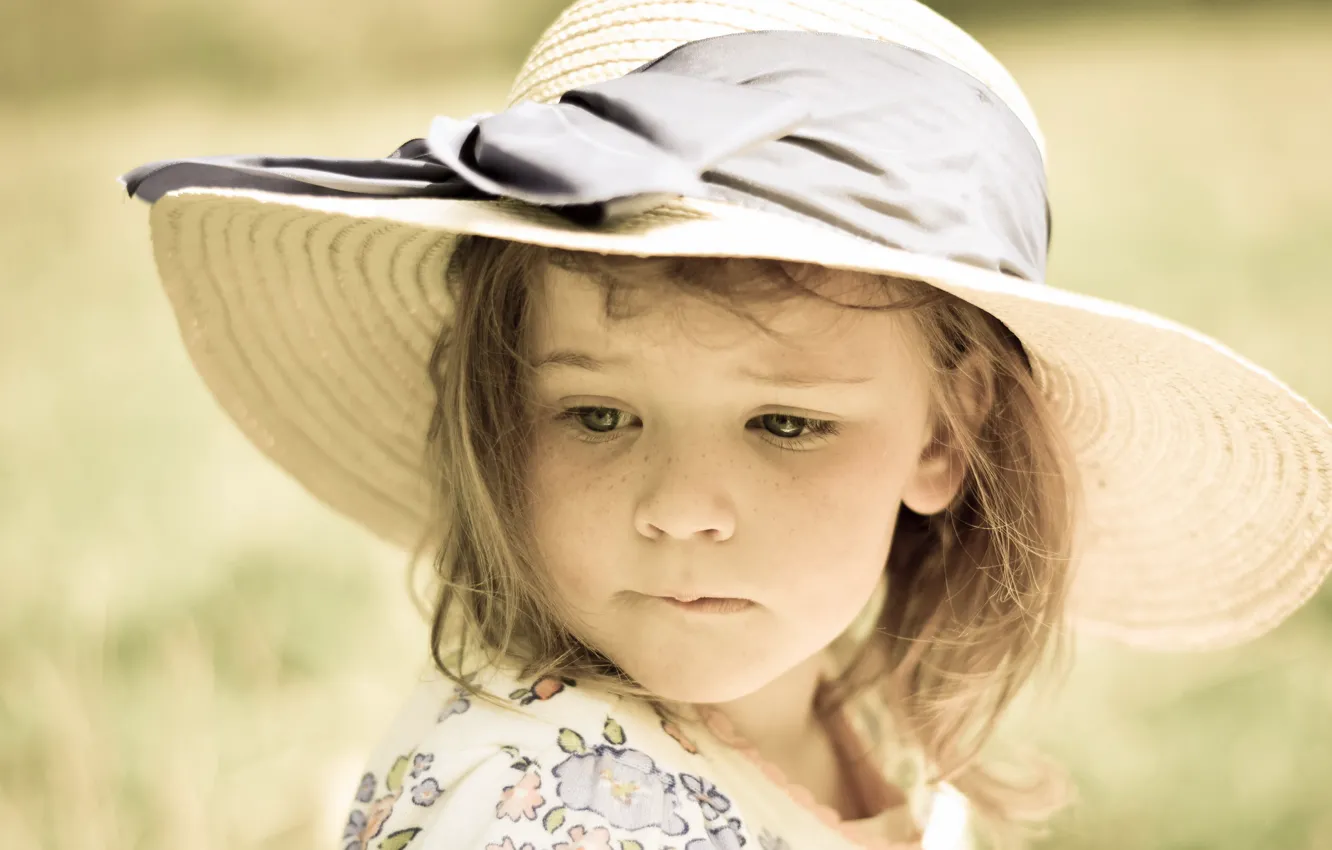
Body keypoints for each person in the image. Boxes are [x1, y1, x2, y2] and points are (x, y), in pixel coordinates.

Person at [118, 1, 1332, 848]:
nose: (680, 506)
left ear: (942, 439)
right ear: (498, 407)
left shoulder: (860, 721)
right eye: (597, 412)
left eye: (786, 424)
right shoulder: (545, 814)